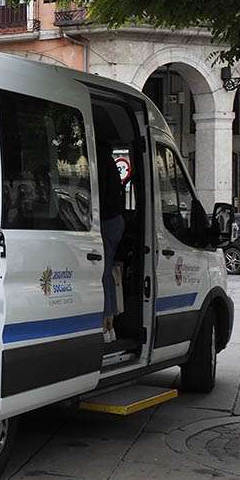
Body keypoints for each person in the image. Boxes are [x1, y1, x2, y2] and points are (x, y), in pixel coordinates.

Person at [98, 142, 125, 343]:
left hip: (107, 222)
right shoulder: (111, 166)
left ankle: (107, 324)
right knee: (106, 274)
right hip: (116, 221)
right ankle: (110, 323)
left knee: (104, 275)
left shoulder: (100, 165)